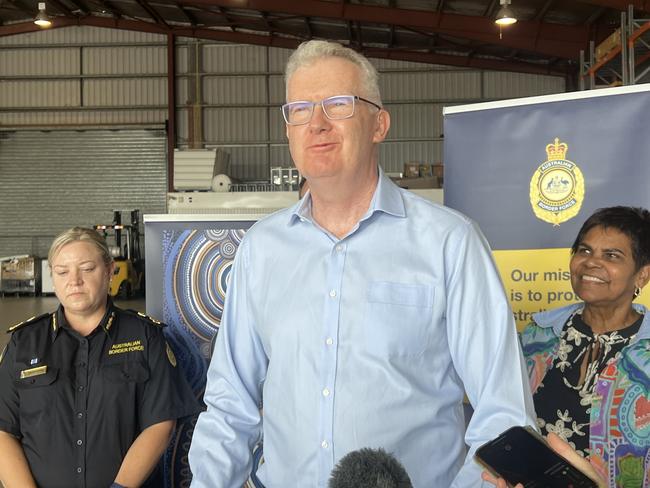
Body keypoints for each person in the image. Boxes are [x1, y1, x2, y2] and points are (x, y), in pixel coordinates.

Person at [188, 39, 536, 487]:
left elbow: (503, 414)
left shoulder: (450, 243)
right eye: (299, 109)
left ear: (379, 124)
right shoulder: (262, 249)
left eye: (338, 104)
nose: (317, 124)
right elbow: (230, 403)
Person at [0, 227, 199, 488]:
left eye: (87, 268)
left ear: (109, 271)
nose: (74, 280)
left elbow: (160, 423)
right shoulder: (24, 343)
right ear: (53, 277)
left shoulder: (145, 337)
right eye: (62, 272)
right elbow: (3, 430)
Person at [485, 206, 650, 488]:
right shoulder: (540, 334)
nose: (591, 263)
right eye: (584, 251)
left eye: (611, 256)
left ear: (641, 276)